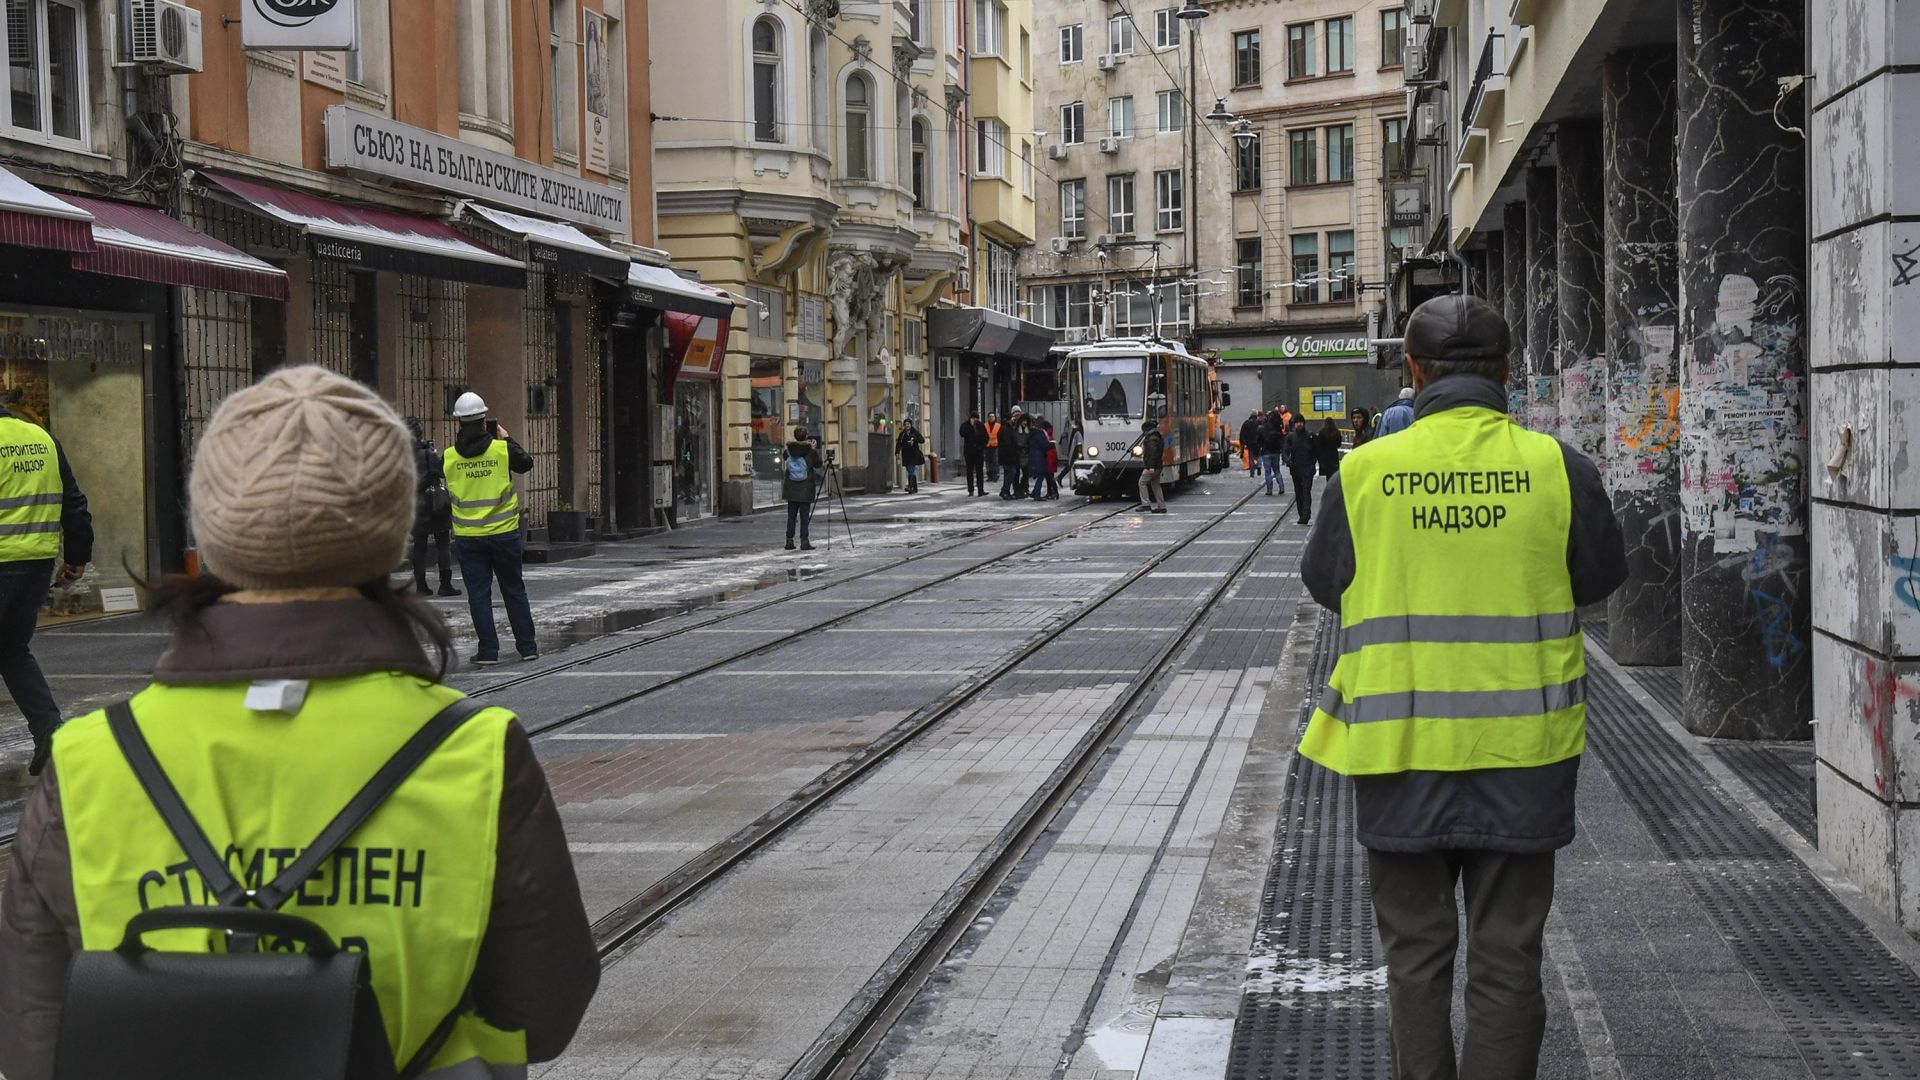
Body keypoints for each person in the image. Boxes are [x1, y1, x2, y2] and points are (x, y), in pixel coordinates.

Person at [0, 366, 599, 1080]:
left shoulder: (88, 756)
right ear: (388, 530)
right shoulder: (475, 750)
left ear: (213, 526)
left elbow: (32, 1033)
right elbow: (542, 1009)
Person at [1299, 295, 1627, 1080]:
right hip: (1523, 753)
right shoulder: (1559, 468)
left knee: (1414, 957)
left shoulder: (1365, 472)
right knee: (1509, 957)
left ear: (1413, 371)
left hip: (1398, 751)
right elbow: (1602, 576)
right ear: (1507, 372)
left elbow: (1325, 584)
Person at [0, 397, 90, 777]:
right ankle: (49, 729)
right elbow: (74, 503)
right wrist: (76, 557)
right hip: (35, 564)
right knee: (12, 650)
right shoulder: (40, 437)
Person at [445, 391, 538, 666]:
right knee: (513, 589)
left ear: (458, 423)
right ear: (485, 420)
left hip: (469, 538)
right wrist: (506, 437)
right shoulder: (501, 449)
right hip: (504, 534)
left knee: (478, 595)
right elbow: (526, 464)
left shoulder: (450, 458)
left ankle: (488, 651)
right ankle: (527, 646)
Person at [407, 418, 460, 598]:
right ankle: (445, 584)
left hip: (415, 504)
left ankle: (421, 586)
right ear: (420, 434)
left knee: (419, 546)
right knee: (443, 544)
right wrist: (435, 456)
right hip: (434, 502)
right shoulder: (427, 454)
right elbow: (440, 472)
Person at [783, 425, 824, 550]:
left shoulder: (788, 451)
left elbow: (785, 458)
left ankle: (789, 541)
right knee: (804, 516)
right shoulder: (810, 452)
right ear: (806, 437)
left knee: (791, 516)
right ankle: (804, 541)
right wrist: (813, 448)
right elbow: (818, 464)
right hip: (805, 488)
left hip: (791, 488)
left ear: (795, 436)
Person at [1283, 418, 1318, 525]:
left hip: (1307, 468)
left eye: (1301, 422)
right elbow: (1285, 451)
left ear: (1304, 424)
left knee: (1306, 491)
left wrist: (1313, 464)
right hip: (1295, 469)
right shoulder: (1290, 437)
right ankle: (1301, 513)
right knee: (1298, 492)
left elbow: (1316, 451)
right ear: (1294, 425)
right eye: (1297, 423)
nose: (1299, 424)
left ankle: (1305, 515)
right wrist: (1288, 461)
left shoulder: (1310, 436)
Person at [1136, 420, 1167, 514]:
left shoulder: (1151, 439)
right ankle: (1161, 506)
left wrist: (1151, 466)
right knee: (1156, 485)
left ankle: (1145, 504)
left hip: (1152, 466)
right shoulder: (1157, 436)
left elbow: (1153, 454)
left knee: (1142, 482)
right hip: (1158, 465)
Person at [999, 414, 1028, 499]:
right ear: (1009, 419)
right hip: (1008, 456)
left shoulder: (1007, 428)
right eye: (1012, 418)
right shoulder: (1006, 429)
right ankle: (1004, 491)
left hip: (1008, 455)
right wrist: (1014, 452)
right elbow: (1008, 444)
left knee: (1009, 473)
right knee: (1012, 472)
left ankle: (1005, 491)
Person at [1258, 415, 1287, 497]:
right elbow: (1281, 440)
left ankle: (1269, 489)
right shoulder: (1277, 429)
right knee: (1277, 470)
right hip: (1276, 452)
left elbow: (1259, 440)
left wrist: (1260, 447)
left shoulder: (1262, 428)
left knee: (1268, 472)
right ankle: (1281, 486)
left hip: (1266, 452)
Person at [960, 412, 989, 496]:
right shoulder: (965, 425)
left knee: (980, 472)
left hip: (979, 452)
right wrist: (971, 426)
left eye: (976, 418)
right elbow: (962, 433)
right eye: (973, 418)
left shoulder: (981, 425)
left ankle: (981, 490)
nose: (975, 419)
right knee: (969, 471)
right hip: (969, 452)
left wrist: (982, 447)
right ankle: (971, 490)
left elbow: (986, 437)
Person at [896, 420, 926, 494]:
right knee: (910, 471)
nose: (907, 426)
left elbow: (922, 440)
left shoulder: (915, 432)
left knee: (911, 470)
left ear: (911, 425)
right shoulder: (902, 434)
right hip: (906, 455)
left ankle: (910, 486)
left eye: (908, 424)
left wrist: (915, 439)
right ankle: (914, 488)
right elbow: (899, 443)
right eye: (905, 424)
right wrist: (897, 452)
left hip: (913, 454)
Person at [1027, 420, 1053, 501]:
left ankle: (1035, 492)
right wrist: (1051, 445)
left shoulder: (1032, 434)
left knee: (1039, 476)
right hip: (1040, 457)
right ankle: (1037, 494)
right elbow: (1044, 446)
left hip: (1032, 456)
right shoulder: (1040, 434)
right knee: (1040, 477)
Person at [1238, 411, 1264, 476]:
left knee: (1251, 458)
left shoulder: (1246, 423)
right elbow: (1263, 433)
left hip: (1250, 444)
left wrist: (1243, 443)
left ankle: (1252, 473)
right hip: (1258, 443)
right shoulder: (1260, 423)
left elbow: (1242, 434)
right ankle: (1259, 466)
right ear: (1257, 415)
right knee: (1259, 456)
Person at [1042, 420, 1061, 499]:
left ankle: (1053, 492)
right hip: (1051, 458)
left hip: (1049, 458)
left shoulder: (1046, 435)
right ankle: (1051, 492)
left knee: (1049, 477)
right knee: (1050, 476)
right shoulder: (1050, 434)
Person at [983, 411, 1003, 483]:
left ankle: (996, 475)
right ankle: (989, 475)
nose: (991, 418)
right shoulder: (985, 425)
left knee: (995, 461)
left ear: (995, 417)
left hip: (995, 446)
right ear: (988, 418)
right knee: (988, 462)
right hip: (987, 446)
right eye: (990, 416)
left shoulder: (998, 426)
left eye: (993, 416)